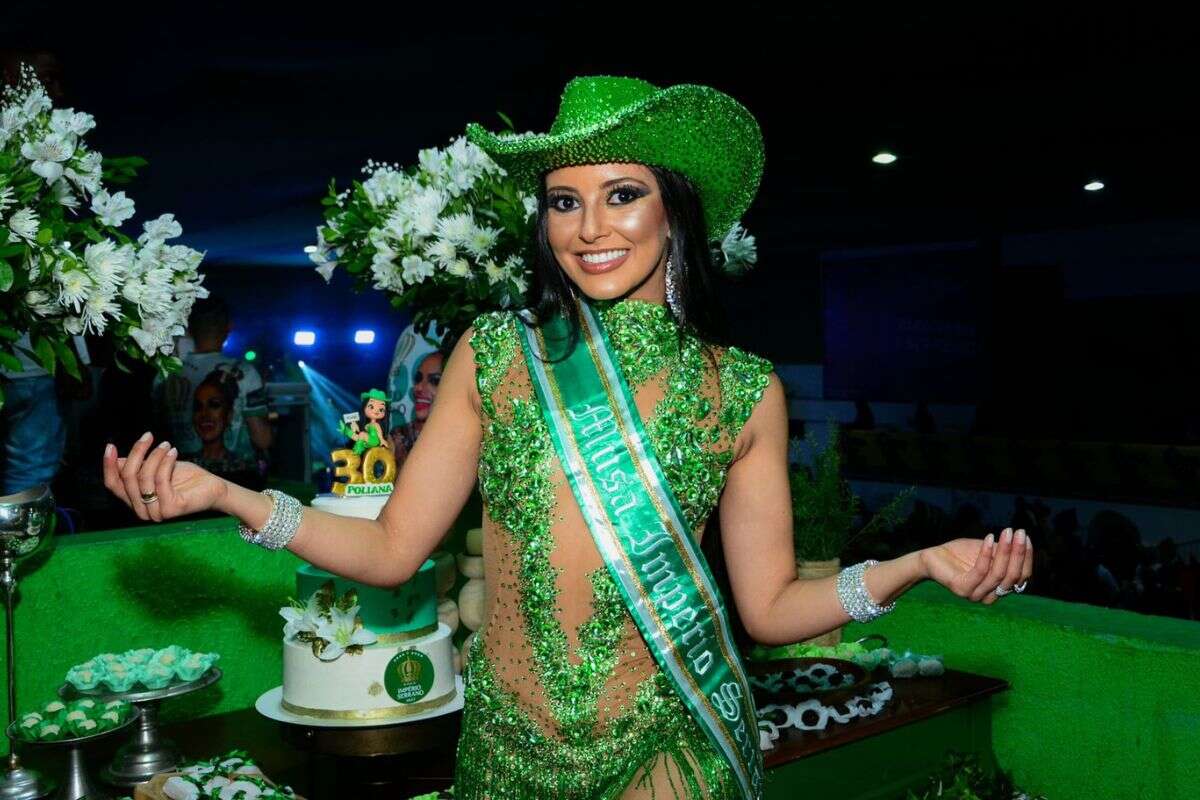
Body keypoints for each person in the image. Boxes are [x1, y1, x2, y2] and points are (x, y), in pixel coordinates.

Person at [102, 76, 1034, 800]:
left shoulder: (743, 391)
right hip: (511, 752)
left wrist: (910, 567)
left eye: (622, 194)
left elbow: (769, 611)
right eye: (563, 201)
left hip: (673, 746)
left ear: (675, 210)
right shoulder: (499, 353)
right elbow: (391, 553)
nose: (590, 228)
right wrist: (227, 495)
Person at [154, 296, 273, 466]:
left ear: (188, 328)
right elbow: (263, 439)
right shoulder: (246, 373)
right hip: (233, 481)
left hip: (177, 476)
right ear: (229, 327)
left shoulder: (165, 373)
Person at [185, 369, 265, 491]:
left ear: (229, 415)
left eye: (214, 405)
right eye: (198, 407)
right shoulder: (182, 467)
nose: (204, 414)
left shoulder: (245, 469)